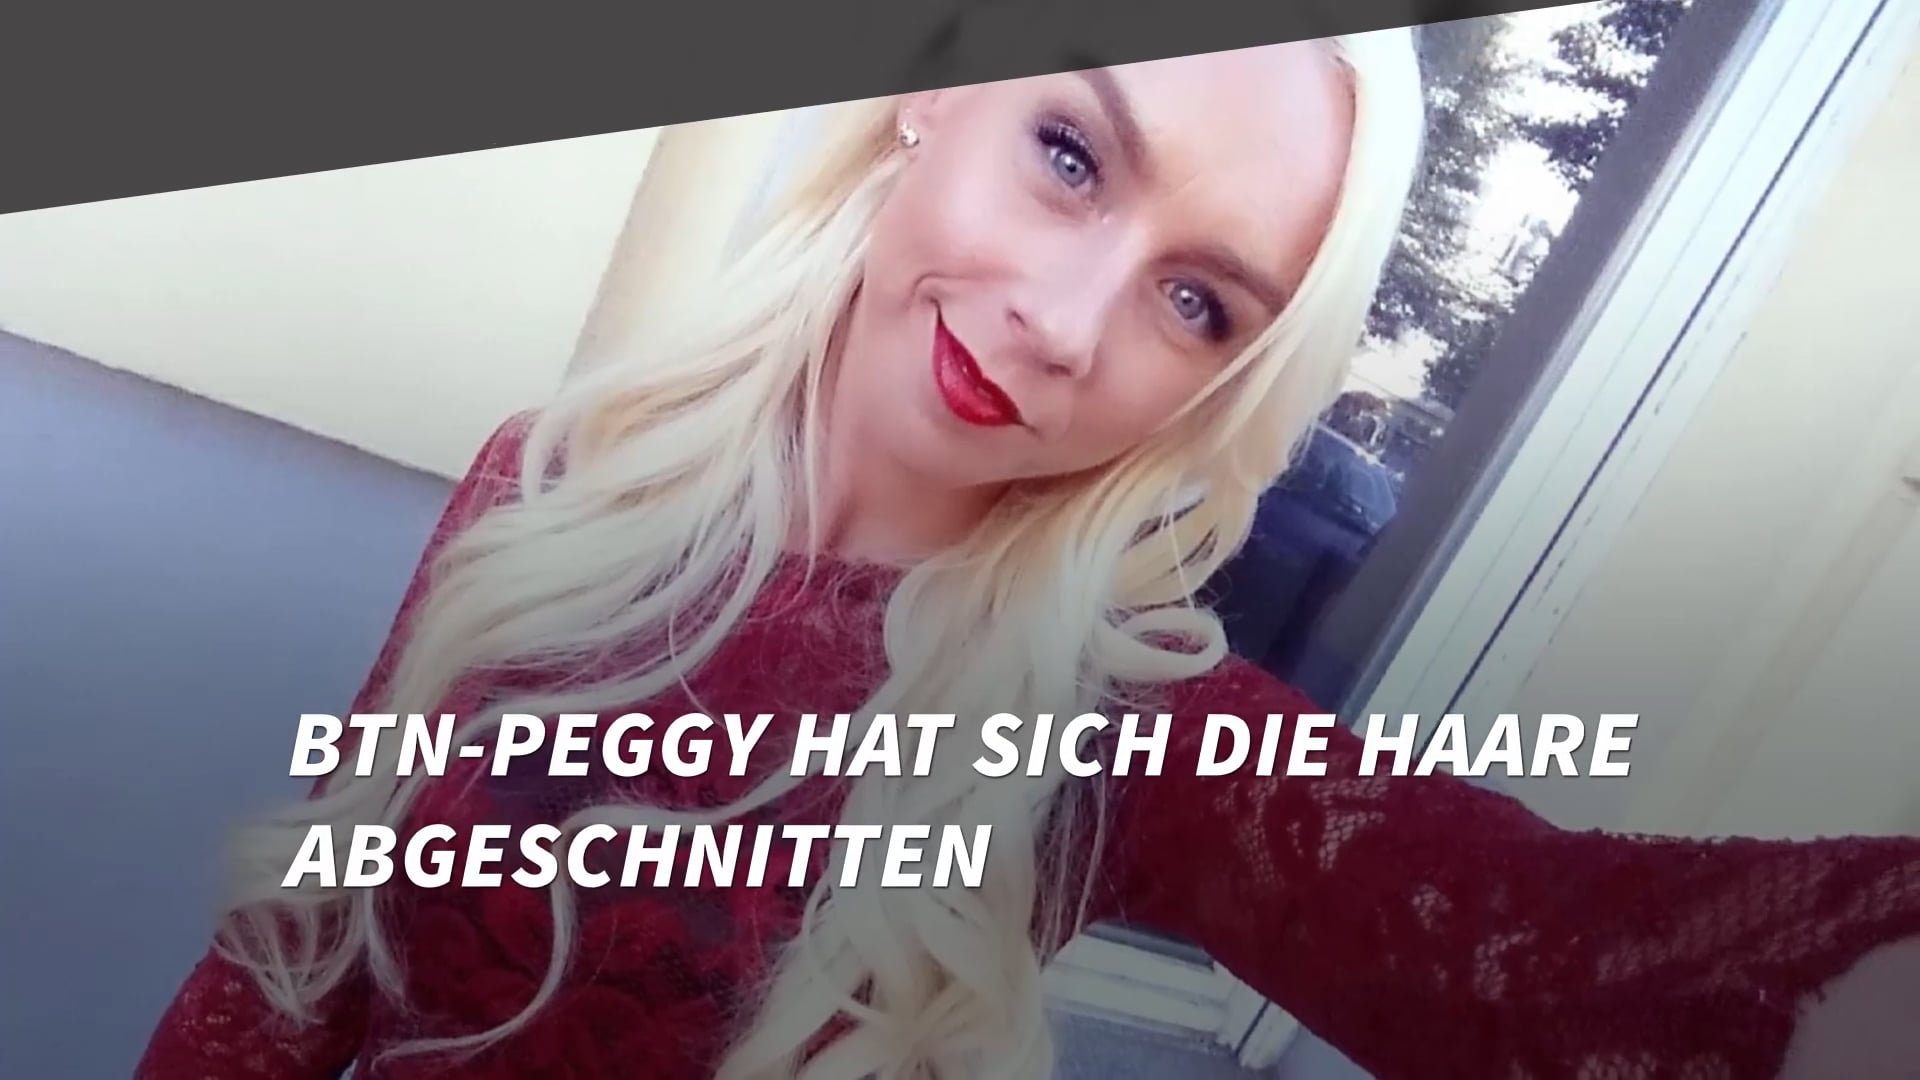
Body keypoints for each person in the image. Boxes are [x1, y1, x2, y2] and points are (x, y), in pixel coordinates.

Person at [137, 30, 1920, 1080]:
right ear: (941, 88)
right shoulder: (549, 478)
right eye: (1071, 155)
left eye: (1198, 301)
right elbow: (286, 963)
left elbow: (1563, 952)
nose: (1066, 325)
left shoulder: (1110, 729)